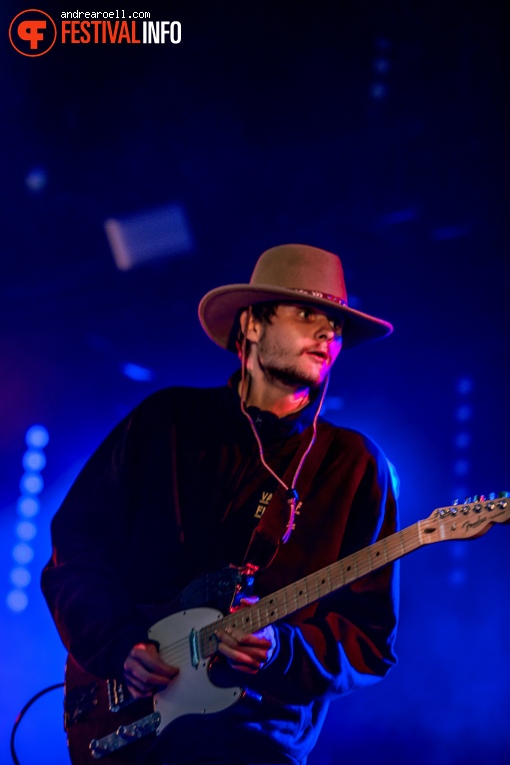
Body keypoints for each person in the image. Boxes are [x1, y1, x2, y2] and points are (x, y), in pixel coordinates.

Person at [41, 244, 399, 765]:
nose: (327, 334)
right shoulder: (166, 422)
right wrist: (118, 646)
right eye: (306, 315)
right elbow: (75, 553)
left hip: (253, 741)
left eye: (336, 326)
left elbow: (370, 640)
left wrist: (283, 650)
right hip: (126, 727)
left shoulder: (355, 465)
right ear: (252, 325)